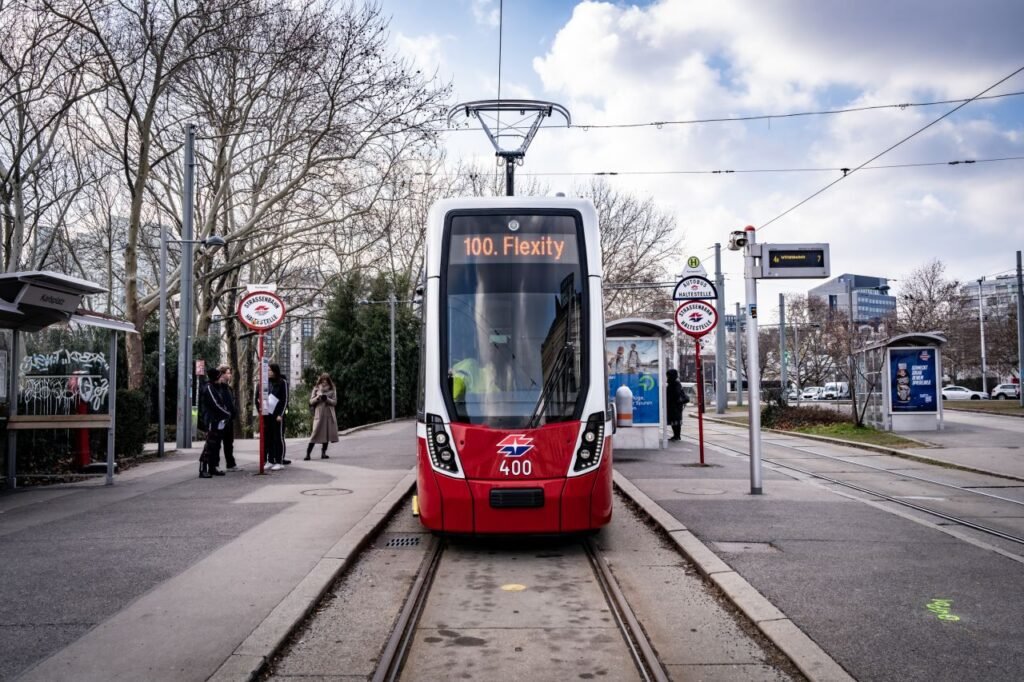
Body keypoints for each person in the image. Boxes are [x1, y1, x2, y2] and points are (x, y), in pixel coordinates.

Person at [198, 367, 231, 478]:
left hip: (217, 420)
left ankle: (212, 467)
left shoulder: (214, 387)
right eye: (219, 376)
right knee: (209, 445)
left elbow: (219, 403)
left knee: (215, 445)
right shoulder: (209, 388)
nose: (221, 377)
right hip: (212, 420)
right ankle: (203, 469)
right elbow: (215, 404)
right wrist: (226, 414)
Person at [259, 363, 290, 470]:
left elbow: (285, 400)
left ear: (275, 371)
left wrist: (281, 414)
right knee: (269, 438)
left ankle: (279, 460)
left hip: (277, 415)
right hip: (268, 414)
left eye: (270, 371)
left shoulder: (282, 382)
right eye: (267, 371)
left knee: (278, 437)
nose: (268, 373)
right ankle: (270, 460)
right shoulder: (266, 383)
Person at [306, 373, 339, 460]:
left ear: (328, 381)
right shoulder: (316, 388)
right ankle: (308, 454)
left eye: (326, 380)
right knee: (315, 433)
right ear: (320, 380)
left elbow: (335, 402)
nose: (324, 382)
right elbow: (311, 401)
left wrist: (326, 399)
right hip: (319, 414)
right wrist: (317, 398)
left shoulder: (332, 388)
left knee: (326, 434)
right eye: (323, 380)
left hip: (328, 414)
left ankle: (323, 453)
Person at [216, 365, 239, 471]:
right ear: (222, 374)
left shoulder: (229, 388)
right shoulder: (217, 387)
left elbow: (231, 402)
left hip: (229, 419)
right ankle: (215, 465)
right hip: (220, 419)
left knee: (229, 443)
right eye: (228, 373)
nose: (230, 375)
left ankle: (230, 464)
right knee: (217, 443)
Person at [666, 368, 689, 441]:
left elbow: (676, 393)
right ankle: (676, 435)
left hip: (675, 405)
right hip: (673, 405)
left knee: (676, 420)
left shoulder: (675, 383)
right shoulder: (672, 382)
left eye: (668, 375)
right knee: (674, 421)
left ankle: (677, 435)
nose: (667, 377)